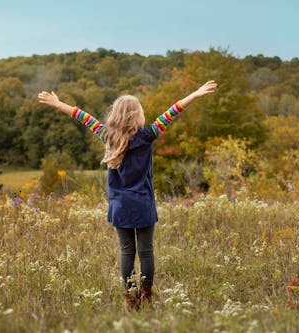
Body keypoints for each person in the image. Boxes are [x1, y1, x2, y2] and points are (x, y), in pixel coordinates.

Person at [38, 80, 217, 311]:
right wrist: (195, 94)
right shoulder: (148, 135)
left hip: (120, 206)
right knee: (146, 251)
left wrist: (57, 103)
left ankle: (131, 300)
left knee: (126, 252)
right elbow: (173, 111)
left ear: (116, 115)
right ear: (137, 117)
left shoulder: (106, 135)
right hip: (142, 204)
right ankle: (147, 296)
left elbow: (82, 116)